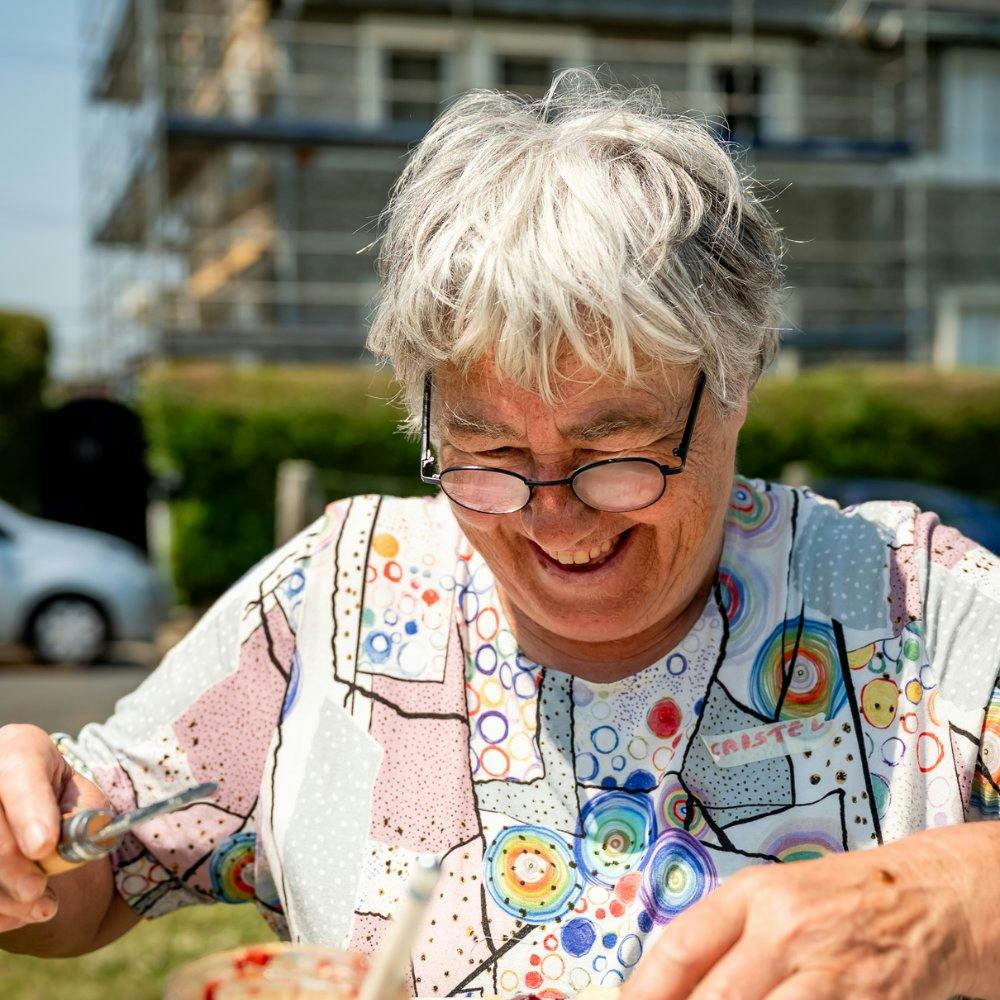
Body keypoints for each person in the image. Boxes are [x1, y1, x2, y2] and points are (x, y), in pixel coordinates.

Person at [2, 71, 999, 1000]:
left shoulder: (909, 608)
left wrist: (951, 901)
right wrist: (20, 832)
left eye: (615, 449)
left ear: (736, 382)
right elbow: (88, 880)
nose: (549, 513)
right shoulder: (337, 605)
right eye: (486, 454)